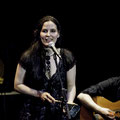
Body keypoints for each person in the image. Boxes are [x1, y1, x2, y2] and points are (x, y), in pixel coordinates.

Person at [14, 15, 76, 120]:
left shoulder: (66, 56)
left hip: (58, 113)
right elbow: (17, 84)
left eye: (52, 31)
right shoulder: (28, 56)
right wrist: (39, 94)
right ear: (39, 33)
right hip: (33, 113)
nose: (48, 35)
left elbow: (71, 87)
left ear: (58, 34)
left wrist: (69, 104)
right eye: (44, 31)